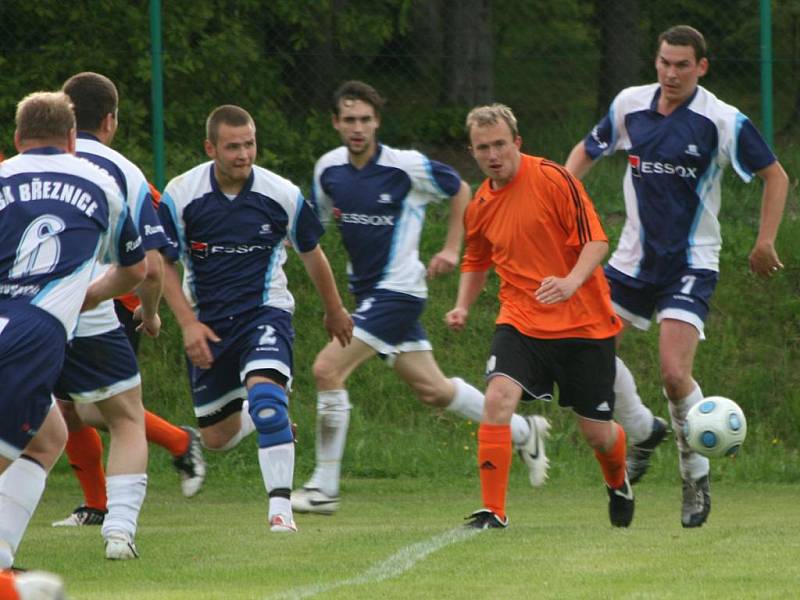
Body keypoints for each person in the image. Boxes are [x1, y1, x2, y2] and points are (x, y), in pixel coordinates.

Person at [291, 81, 550, 516]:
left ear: (377, 122)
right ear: (336, 123)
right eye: (349, 119)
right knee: (433, 390)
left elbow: (461, 189)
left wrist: (452, 248)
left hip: (400, 293)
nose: (358, 128)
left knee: (326, 369)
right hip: (367, 296)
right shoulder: (328, 171)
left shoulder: (404, 166)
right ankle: (526, 431)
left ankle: (324, 487)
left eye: (365, 119)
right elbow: (312, 230)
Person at [564, 25, 788, 527]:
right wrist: (559, 200)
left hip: (691, 261)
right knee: (586, 351)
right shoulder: (629, 105)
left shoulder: (721, 120)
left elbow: (776, 175)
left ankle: (694, 478)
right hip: (629, 261)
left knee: (672, 372)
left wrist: (765, 239)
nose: (671, 73)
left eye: (682, 64)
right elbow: (585, 151)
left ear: (701, 67)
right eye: (664, 62)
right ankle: (643, 429)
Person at [158, 104, 353, 533]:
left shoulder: (280, 193)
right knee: (216, 438)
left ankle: (280, 512)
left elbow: (312, 255)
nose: (244, 154)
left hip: (264, 313)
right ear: (211, 148)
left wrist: (334, 309)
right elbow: (162, 264)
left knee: (267, 404)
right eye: (232, 147)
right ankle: (270, 418)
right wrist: (187, 323)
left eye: (249, 144)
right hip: (208, 323)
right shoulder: (181, 194)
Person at [447, 103, 633, 529]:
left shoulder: (554, 178)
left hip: (584, 323)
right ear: (473, 152)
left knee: (597, 435)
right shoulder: (479, 205)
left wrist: (570, 282)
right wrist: (462, 304)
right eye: (482, 148)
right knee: (497, 400)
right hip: (521, 319)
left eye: (499, 145)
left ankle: (618, 480)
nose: (493, 155)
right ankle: (493, 511)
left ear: (516, 142)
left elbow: (596, 242)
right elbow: (476, 260)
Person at [0, 91, 146, 570]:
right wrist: (89, 294)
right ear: (71, 138)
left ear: (18, 138)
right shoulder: (101, 183)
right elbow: (136, 270)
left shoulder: (1, 174)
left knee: (47, 438)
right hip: (33, 332)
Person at [48, 98, 205, 525]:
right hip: (71, 300)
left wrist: (151, 309)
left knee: (96, 408)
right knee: (71, 409)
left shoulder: (116, 171)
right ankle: (106, 499)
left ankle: (111, 501)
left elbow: (152, 257)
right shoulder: (55, 162)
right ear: (110, 120)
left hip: (112, 299)